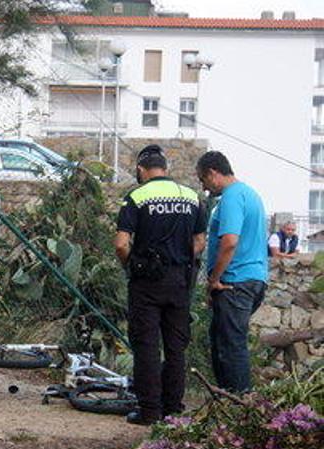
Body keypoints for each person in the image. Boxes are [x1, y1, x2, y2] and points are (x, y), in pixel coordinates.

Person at [113, 145, 207, 425]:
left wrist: (132, 264)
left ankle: (149, 411)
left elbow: (120, 243)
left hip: (146, 283)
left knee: (147, 346)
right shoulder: (191, 197)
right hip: (179, 281)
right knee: (176, 348)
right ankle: (173, 408)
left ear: (142, 170)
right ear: (166, 169)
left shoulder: (136, 197)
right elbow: (200, 241)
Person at [196, 151, 268, 393]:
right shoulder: (250, 194)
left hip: (235, 282)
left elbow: (229, 242)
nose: (204, 188)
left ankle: (239, 406)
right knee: (221, 342)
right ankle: (226, 399)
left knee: (231, 346)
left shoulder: (232, 197)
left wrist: (214, 279)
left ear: (213, 173)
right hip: (254, 279)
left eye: (202, 180)